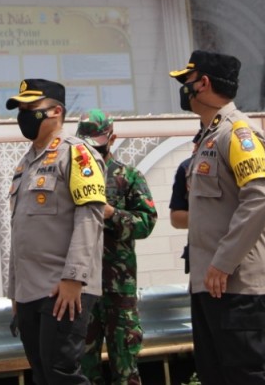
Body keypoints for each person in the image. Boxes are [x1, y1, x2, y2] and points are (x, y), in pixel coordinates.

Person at [170, 51, 265, 385]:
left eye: (186, 82)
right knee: (215, 376)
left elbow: (260, 200)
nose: (183, 89)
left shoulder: (238, 134)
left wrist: (224, 262)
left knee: (246, 377)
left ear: (203, 83)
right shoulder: (207, 138)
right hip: (210, 282)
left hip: (236, 282)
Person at [6, 79, 106, 385]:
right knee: (42, 376)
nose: (24, 116)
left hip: (63, 288)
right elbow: (20, 232)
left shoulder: (76, 154)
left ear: (56, 112)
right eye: (20, 110)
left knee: (62, 374)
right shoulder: (25, 164)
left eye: (31, 109)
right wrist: (15, 291)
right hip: (29, 292)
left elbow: (90, 216)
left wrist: (74, 278)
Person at [75, 110, 157, 385]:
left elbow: (146, 222)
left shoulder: (128, 176)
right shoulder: (74, 176)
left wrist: (112, 214)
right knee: (84, 369)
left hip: (118, 288)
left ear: (112, 138)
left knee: (125, 368)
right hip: (81, 288)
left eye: (98, 141)